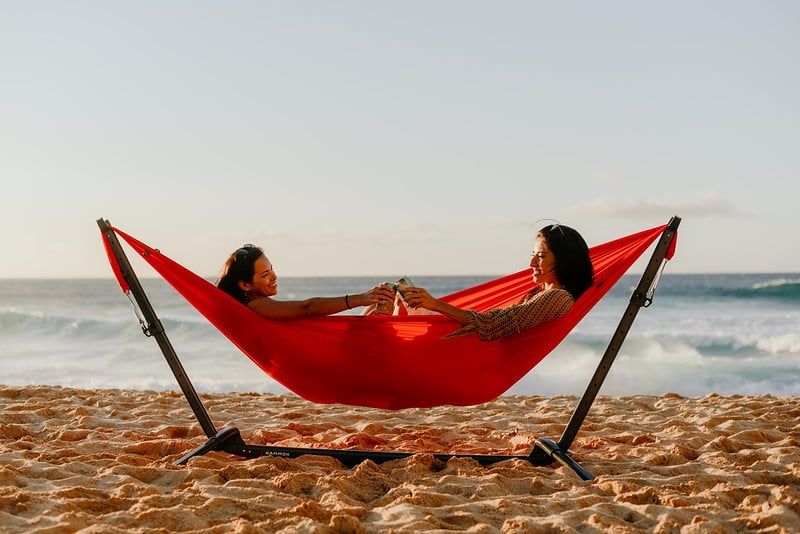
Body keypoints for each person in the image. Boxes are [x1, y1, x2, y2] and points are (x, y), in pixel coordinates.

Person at [401, 223, 594, 340]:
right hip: (473, 346)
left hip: (478, 358)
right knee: (391, 300)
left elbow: (492, 324)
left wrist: (434, 304)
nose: (531, 263)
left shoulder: (557, 298)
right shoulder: (539, 293)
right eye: (533, 255)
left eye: (541, 256)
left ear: (563, 260)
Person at [216, 244, 395, 320]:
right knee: (394, 299)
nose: (274, 277)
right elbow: (308, 308)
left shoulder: (253, 304)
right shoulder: (257, 306)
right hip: (330, 357)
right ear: (245, 285)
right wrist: (359, 299)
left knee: (387, 295)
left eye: (272, 269)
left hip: (328, 350)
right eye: (265, 275)